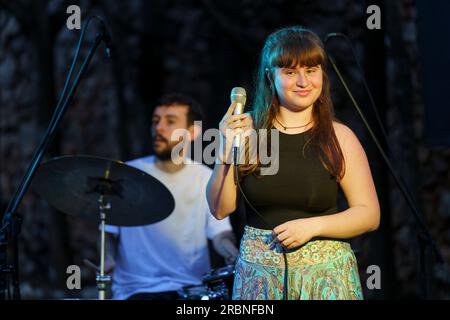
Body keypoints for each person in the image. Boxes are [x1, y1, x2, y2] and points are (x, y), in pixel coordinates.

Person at [206, 26, 380, 300]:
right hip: (260, 279)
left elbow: (369, 214)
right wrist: (224, 150)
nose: (303, 81)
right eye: (290, 72)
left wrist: (313, 226)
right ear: (270, 75)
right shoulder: (247, 130)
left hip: (326, 279)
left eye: (311, 70)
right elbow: (220, 209)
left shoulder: (339, 137)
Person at [102, 93, 239, 300]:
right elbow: (108, 233)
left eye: (170, 122)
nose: (159, 128)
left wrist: (231, 251)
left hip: (190, 289)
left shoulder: (205, 178)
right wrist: (108, 258)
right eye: (156, 121)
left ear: (193, 132)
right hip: (137, 290)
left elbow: (220, 234)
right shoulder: (127, 176)